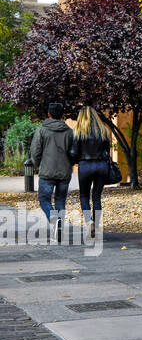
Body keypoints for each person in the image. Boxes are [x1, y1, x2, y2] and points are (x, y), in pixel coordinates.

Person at [29, 102, 77, 242]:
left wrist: (39, 165)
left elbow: (35, 152)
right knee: (60, 200)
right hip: (64, 172)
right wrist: (69, 164)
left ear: (49, 114)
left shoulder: (42, 130)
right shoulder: (69, 131)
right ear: (62, 115)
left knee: (44, 199)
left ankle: (53, 218)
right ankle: (59, 226)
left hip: (47, 172)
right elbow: (74, 153)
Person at [72, 106, 113, 239]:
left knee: (84, 196)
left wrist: (74, 160)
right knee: (96, 197)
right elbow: (107, 150)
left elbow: (74, 152)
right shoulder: (103, 131)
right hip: (101, 165)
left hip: (85, 166)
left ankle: (89, 222)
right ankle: (97, 225)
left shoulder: (78, 132)